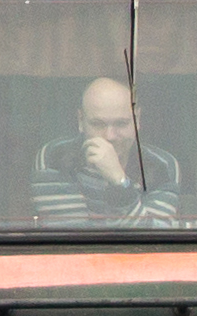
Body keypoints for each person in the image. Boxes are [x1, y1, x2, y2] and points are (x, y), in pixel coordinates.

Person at [30, 75, 184, 225]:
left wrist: (119, 181)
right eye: (98, 124)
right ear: (81, 121)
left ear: (137, 120)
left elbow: (155, 242)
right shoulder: (55, 158)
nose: (109, 136)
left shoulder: (162, 165)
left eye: (121, 124)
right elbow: (72, 238)